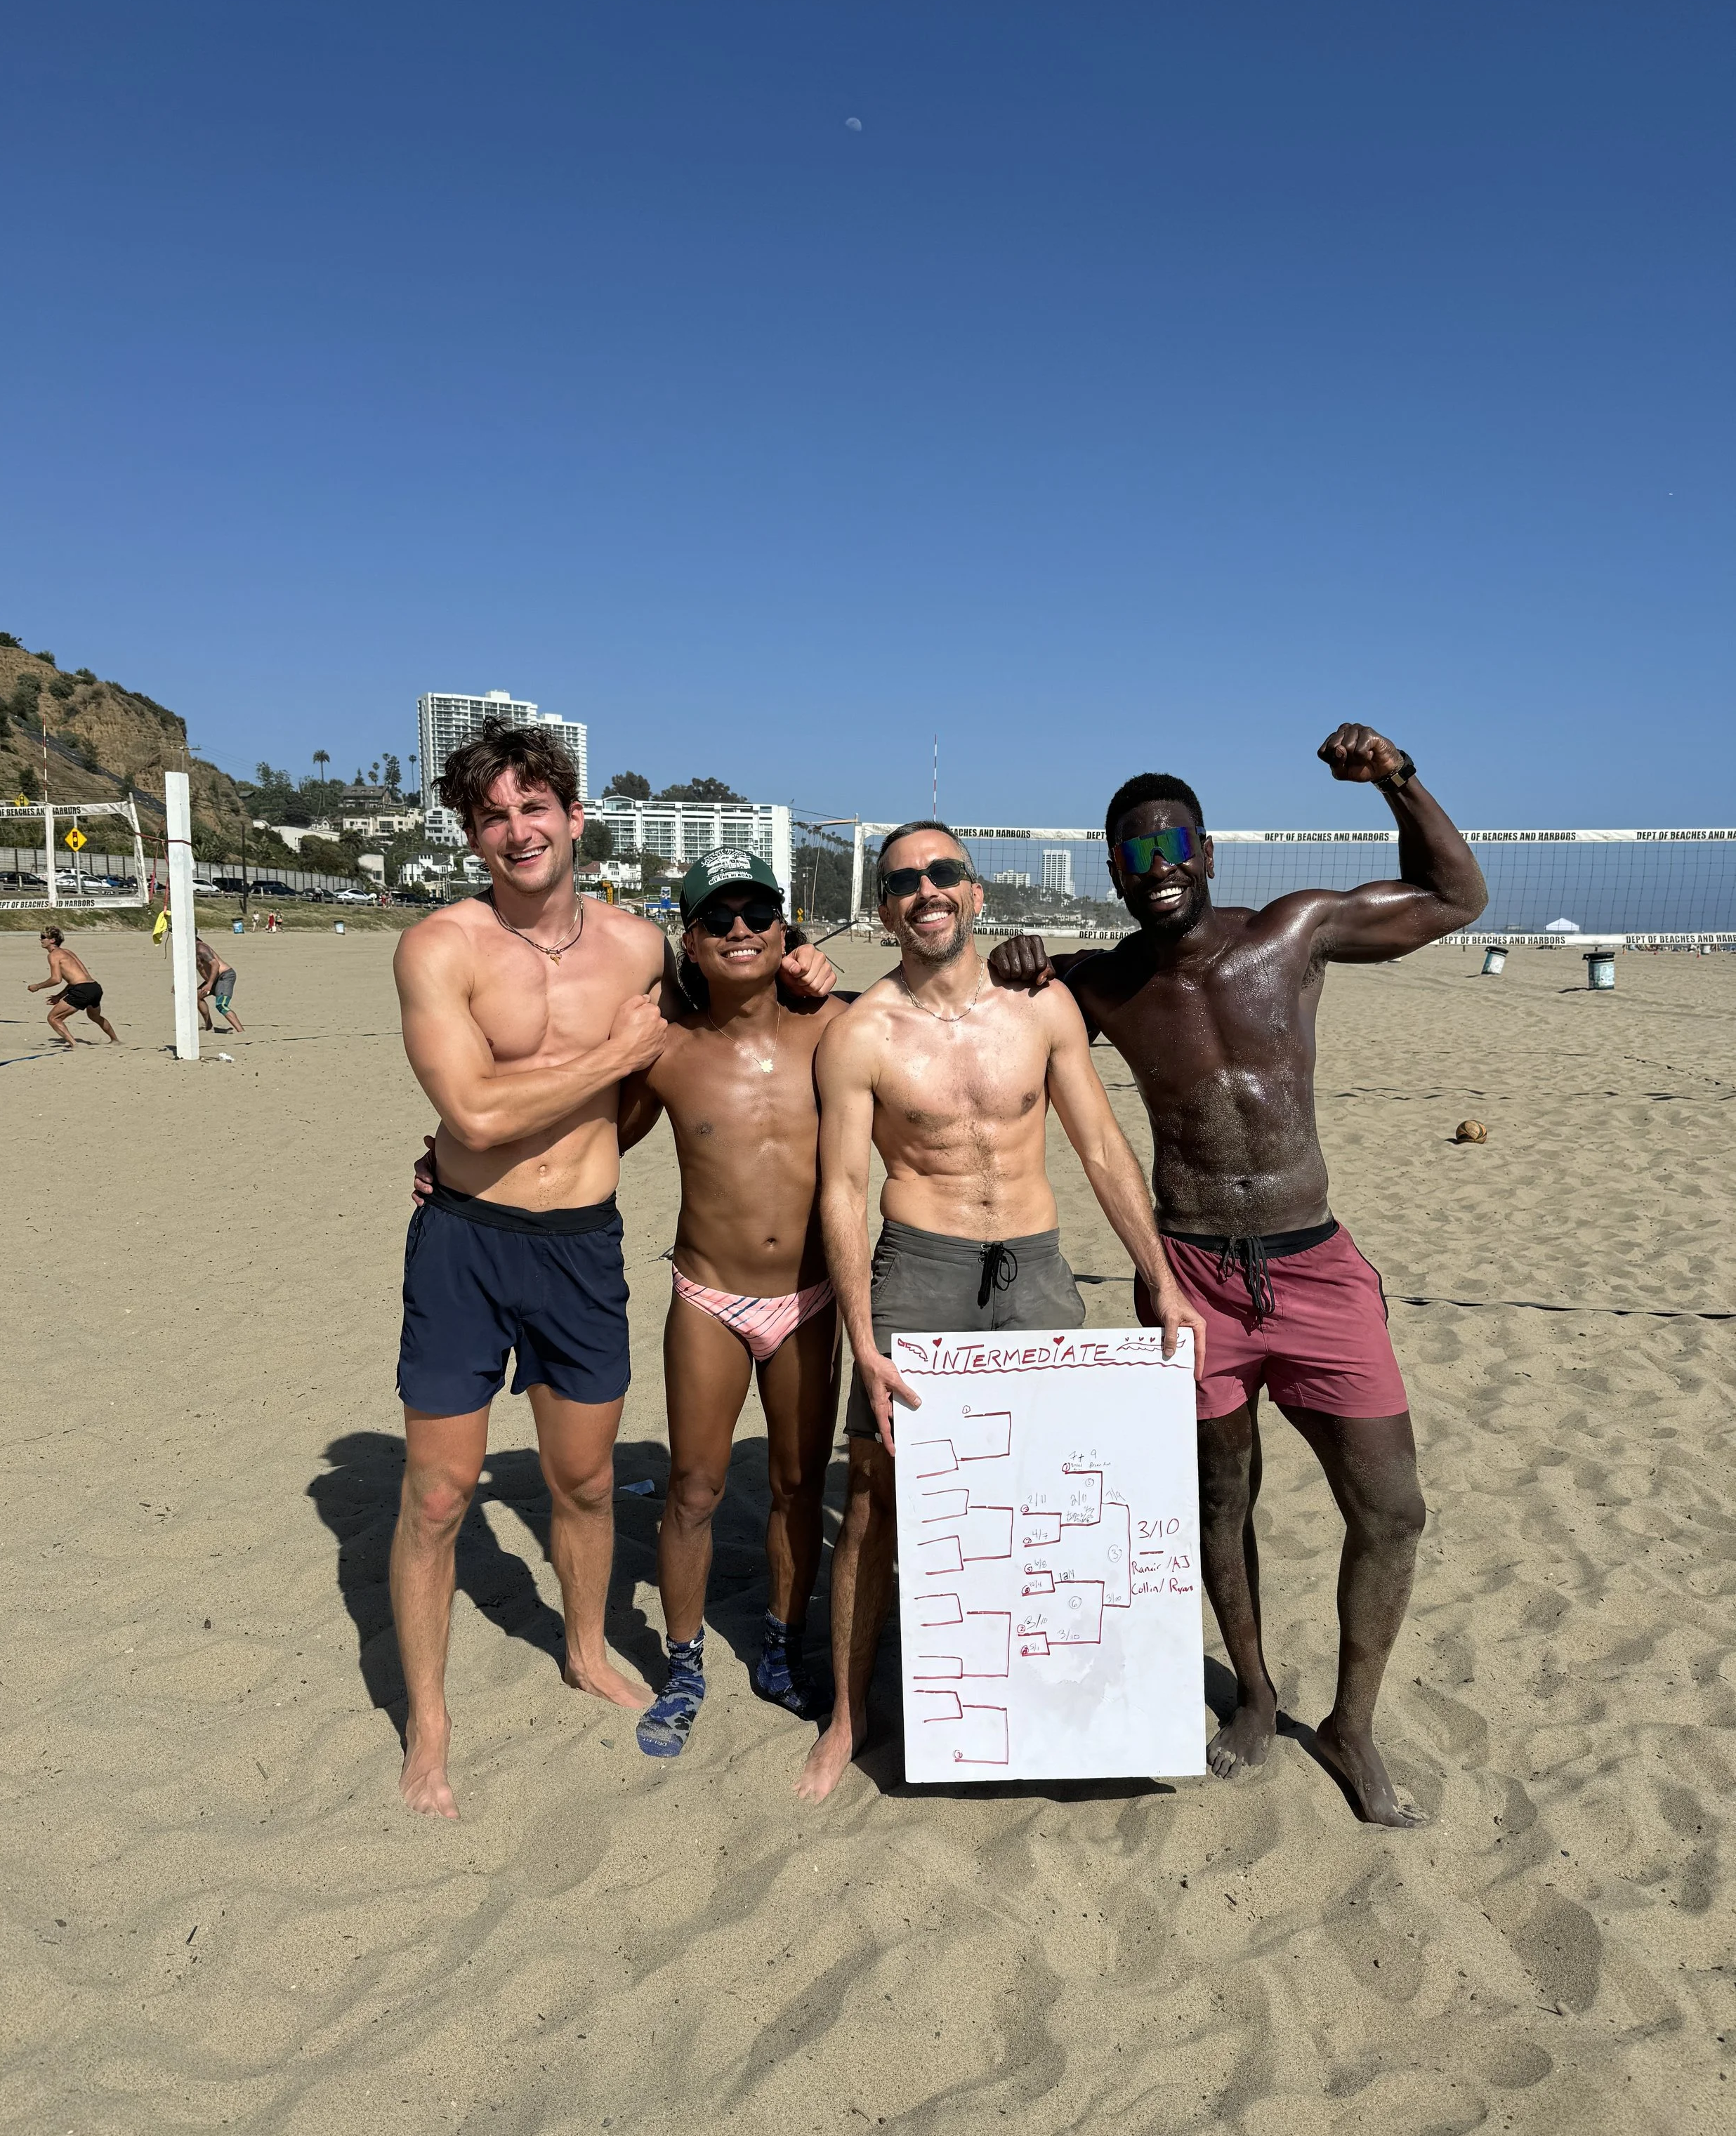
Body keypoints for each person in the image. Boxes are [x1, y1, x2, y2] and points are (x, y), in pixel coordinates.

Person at [988, 724, 1487, 1827]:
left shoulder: (1293, 933)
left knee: (1393, 1509)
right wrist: (1007, 958)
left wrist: (1397, 782)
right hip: (1193, 1276)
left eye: (1173, 846)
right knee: (1222, 1500)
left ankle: (1351, 1722)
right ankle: (1256, 1693)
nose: (1157, 869)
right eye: (1133, 855)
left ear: (1207, 851)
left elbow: (1456, 897)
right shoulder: (1100, 985)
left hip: (1315, 1265)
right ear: (1111, 869)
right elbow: (972, 1001)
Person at [390, 719, 834, 1818]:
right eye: (492, 815)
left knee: (586, 1481)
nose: (517, 830)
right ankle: (431, 1728)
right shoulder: (440, 947)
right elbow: (481, 1110)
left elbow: (717, 1033)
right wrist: (597, 1067)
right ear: (471, 832)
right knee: (442, 1491)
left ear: (574, 817)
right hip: (464, 1238)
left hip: (580, 1245)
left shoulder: (643, 949)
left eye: (534, 807)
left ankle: (587, 1645)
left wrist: (814, 957)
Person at [794, 820, 1205, 1805]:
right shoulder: (859, 1034)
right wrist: (861, 1333)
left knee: (1059, 1487)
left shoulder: (1041, 1008)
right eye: (903, 881)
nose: (925, 891)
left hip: (1034, 1261)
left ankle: (1053, 1701)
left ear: (975, 893)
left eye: (943, 873)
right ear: (886, 906)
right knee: (871, 1499)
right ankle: (850, 1716)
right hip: (918, 1266)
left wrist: (1159, 1276)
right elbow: (841, 1189)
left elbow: (1102, 1147)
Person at [614, 850, 848, 1758]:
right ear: (693, 941)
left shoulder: (836, 1027)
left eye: (759, 912)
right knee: (696, 1486)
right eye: (721, 917)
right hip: (708, 1297)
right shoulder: (668, 1052)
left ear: (787, 929)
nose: (742, 927)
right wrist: (459, 1167)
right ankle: (682, 1659)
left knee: (795, 1484)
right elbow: (590, 1144)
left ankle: (782, 1648)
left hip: (813, 1299)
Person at [28, 929, 118, 1049]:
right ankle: (115, 1040)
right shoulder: (68, 952)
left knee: (53, 1018)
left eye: (43, 937)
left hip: (82, 990)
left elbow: (56, 979)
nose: (41, 939)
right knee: (95, 1017)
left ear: (52, 940)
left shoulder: (53, 955)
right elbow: (75, 980)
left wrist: (37, 987)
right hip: (94, 987)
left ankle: (75, 1045)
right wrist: (59, 996)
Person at [196, 936, 244, 1033]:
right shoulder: (189, 950)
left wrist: (209, 984)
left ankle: (241, 1032)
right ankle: (209, 1026)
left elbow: (215, 965)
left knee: (221, 1005)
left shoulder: (201, 948)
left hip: (224, 976)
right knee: (197, 997)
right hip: (214, 979)